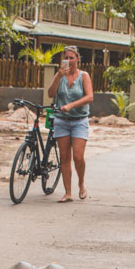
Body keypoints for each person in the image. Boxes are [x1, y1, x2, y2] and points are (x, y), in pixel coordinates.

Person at [47, 45, 94, 202]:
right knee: (65, 157)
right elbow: (50, 94)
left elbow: (89, 97)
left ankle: (81, 184)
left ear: (78, 59)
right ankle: (68, 192)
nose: (68, 61)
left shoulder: (84, 76)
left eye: (71, 58)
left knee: (78, 157)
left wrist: (71, 106)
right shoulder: (60, 76)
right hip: (61, 120)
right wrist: (57, 77)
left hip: (79, 120)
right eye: (66, 58)